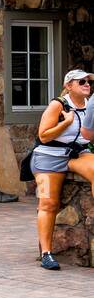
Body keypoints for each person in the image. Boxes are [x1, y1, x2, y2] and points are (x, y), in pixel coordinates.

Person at [32, 69, 94, 271]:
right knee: (48, 203)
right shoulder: (58, 105)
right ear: (69, 86)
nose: (87, 84)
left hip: (77, 153)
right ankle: (47, 253)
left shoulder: (90, 105)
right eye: (82, 81)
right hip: (49, 157)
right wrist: (66, 122)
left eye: (89, 82)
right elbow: (43, 136)